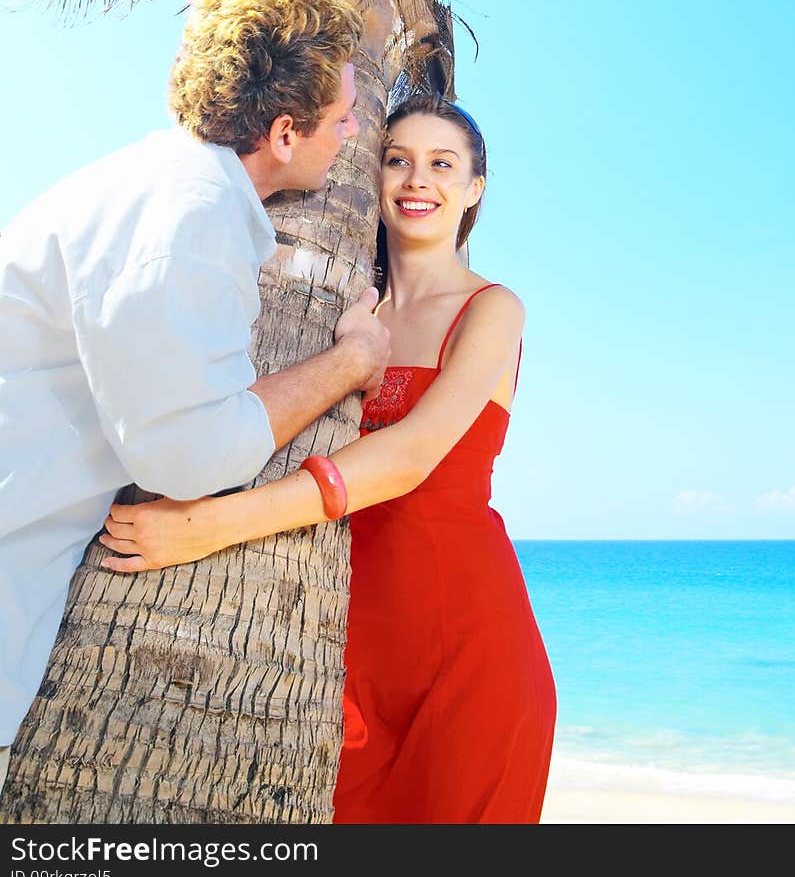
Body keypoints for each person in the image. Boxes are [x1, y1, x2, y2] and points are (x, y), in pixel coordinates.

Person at [98, 92, 558, 824]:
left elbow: (409, 457)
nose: (417, 180)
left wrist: (210, 524)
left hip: (471, 648)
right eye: (398, 159)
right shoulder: (336, 309)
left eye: (443, 164)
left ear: (474, 190)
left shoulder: (493, 309)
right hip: (334, 646)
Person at [0, 0, 391, 801]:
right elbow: (190, 454)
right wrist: (349, 365)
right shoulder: (188, 218)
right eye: (343, 113)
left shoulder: (161, 187)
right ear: (285, 133)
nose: (355, 127)